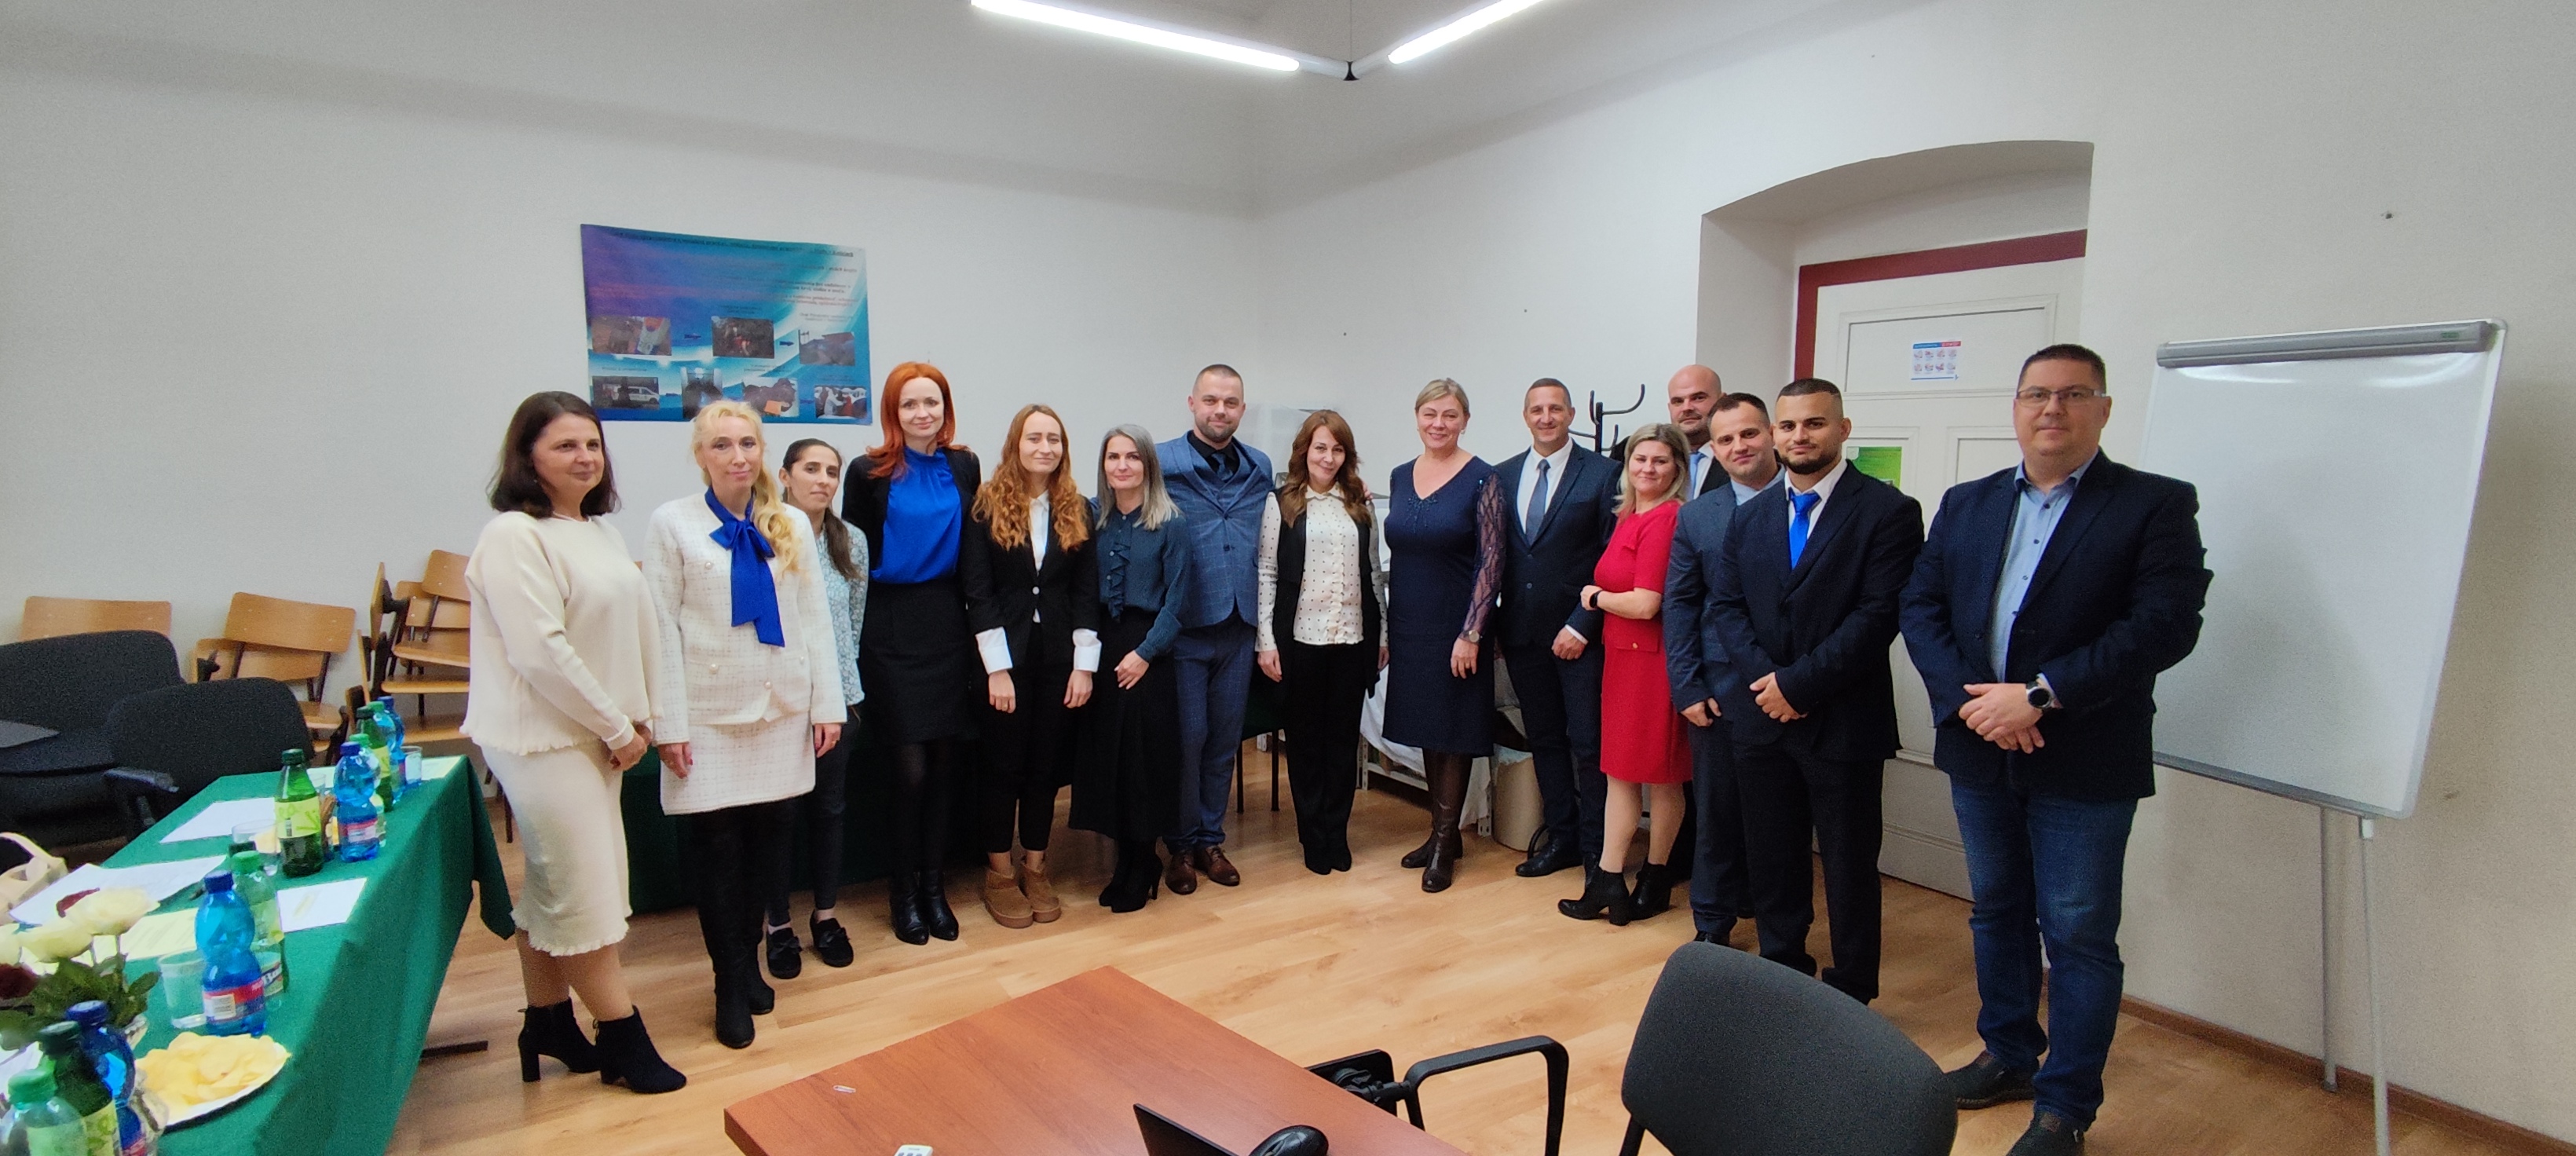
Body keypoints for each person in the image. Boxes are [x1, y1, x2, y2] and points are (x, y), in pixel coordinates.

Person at [1899, 344, 2209, 1156]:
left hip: (2084, 756)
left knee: (2076, 935)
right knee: (1996, 909)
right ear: (2015, 407)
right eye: (2036, 393)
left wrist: (2038, 695)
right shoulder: (1967, 502)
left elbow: (2164, 625)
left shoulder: (2153, 504)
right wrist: (1976, 705)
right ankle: (2007, 1054)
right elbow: (1921, 606)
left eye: (2073, 394)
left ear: (2103, 409)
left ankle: (2065, 1106)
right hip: (1981, 748)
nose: (2052, 408)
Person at [463, 391, 686, 1095]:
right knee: (588, 896)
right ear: (527, 457)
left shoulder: (598, 531)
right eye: (565, 445)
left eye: (592, 444)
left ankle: (550, 1022)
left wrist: (642, 718)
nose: (585, 457)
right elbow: (540, 652)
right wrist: (619, 727)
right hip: (543, 743)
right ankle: (623, 1038)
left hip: (600, 738)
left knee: (557, 886)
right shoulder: (513, 535)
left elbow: (635, 633)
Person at [1707, 378, 1923, 1004]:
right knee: (1772, 854)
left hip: (1843, 719)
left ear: (1843, 429)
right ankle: (1783, 968)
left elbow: (1878, 616)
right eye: (1789, 425)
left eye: (1815, 423)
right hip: (1762, 718)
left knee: (1850, 864)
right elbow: (1728, 608)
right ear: (1777, 434)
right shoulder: (1750, 517)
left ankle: (1852, 989)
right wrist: (1768, 684)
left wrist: (1798, 685)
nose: (1800, 436)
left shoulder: (1887, 512)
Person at [643, 401, 843, 1049]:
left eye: (748, 444)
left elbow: (813, 621)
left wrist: (826, 706)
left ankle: (751, 962)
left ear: (762, 451)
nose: (738, 457)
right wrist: (669, 724)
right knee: (719, 859)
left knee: (767, 853)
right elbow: (660, 631)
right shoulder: (673, 523)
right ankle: (727, 981)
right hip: (708, 718)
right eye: (722, 445)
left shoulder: (788, 521)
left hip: (780, 712)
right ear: (701, 455)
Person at [842, 362, 982, 946]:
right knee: (910, 773)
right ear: (892, 413)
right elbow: (850, 556)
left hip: (948, 621)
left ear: (945, 408)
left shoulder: (964, 465)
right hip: (889, 625)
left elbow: (974, 550)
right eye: (910, 405)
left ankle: (934, 888)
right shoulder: (867, 472)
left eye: (932, 403)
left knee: (946, 768)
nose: (922, 414)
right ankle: (902, 893)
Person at [961, 404, 1101, 929]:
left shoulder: (1078, 508)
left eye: (1054, 439)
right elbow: (978, 592)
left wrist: (1084, 666)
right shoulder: (985, 506)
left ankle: (1035, 867)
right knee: (1003, 767)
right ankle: (999, 873)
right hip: (1004, 658)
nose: (1045, 448)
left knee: (1045, 767)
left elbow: (1086, 592)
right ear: (1015, 444)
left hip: (1059, 658)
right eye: (1035, 438)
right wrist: (996, 670)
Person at [1660, 391, 1783, 946]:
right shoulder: (1699, 515)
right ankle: (1711, 925)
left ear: (1772, 434)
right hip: (1719, 691)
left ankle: (1776, 923)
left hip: (1795, 688)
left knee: (1779, 817)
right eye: (1726, 439)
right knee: (1717, 815)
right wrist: (1687, 686)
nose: (1740, 446)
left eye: (1749, 433)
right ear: (1712, 448)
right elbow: (1681, 603)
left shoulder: (1804, 503)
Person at [1561, 425, 1692, 922]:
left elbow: (1646, 602)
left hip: (1651, 662)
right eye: (1640, 459)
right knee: (1624, 773)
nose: (1648, 469)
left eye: (1660, 460)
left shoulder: (1666, 518)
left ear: (1677, 468)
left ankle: (1640, 879)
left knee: (1657, 776)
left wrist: (1595, 598)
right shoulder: (1629, 514)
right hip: (1623, 657)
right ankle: (1616, 881)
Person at [1493, 379, 1620, 880]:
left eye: (1555, 409)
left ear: (1570, 414)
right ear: (1525, 416)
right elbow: (1499, 554)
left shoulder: (1604, 473)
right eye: (1536, 410)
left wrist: (1584, 624)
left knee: (1588, 745)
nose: (1546, 418)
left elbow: (1612, 556)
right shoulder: (1503, 475)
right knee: (1544, 739)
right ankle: (1561, 838)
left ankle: (1597, 851)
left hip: (1580, 637)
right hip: (1523, 634)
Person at [1382, 379, 1506, 893]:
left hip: (1458, 627)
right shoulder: (1399, 475)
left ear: (1465, 421)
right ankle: (1444, 834)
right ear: (1417, 417)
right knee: (1430, 730)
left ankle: (1443, 845)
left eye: (1450, 415)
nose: (1439, 424)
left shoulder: (1484, 479)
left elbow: (1492, 559)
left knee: (1453, 731)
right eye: (1430, 414)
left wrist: (1472, 631)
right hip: (1410, 623)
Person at [1158, 365, 1275, 894]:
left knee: (1224, 741)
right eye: (1210, 400)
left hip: (1239, 624)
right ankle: (1180, 845)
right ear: (1192, 403)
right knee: (1188, 739)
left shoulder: (1259, 466)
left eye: (1230, 402)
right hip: (1184, 622)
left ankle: (1210, 839)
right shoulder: (1161, 461)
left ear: (1242, 410)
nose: (1220, 410)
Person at [1255, 410, 1385, 875]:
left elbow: (1374, 574)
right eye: (1320, 448)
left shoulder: (1360, 505)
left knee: (1342, 743)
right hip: (1300, 640)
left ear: (1347, 456)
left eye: (1337, 449)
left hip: (1352, 639)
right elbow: (1267, 573)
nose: (1328, 458)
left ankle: (1337, 832)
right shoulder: (1282, 503)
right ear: (1304, 452)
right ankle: (1313, 835)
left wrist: (1383, 634)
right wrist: (1265, 640)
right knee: (1306, 743)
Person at [1072, 426, 1192, 912]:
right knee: (1112, 759)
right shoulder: (1093, 520)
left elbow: (1178, 602)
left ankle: (1145, 861)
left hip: (1148, 653)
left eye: (1132, 457)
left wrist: (1145, 653)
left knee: (1145, 761)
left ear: (1148, 465)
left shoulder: (1172, 524)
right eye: (1113, 457)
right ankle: (1124, 860)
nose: (1122, 465)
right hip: (1102, 647)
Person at [762, 439, 868, 979]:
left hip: (839, 700)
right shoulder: (761, 534)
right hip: (781, 702)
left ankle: (825, 915)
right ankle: (776, 924)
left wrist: (842, 692)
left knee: (830, 810)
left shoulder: (852, 541)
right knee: (779, 816)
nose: (823, 480)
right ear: (784, 476)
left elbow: (853, 624)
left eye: (832, 471)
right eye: (811, 469)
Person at [1668, 364, 1730, 499]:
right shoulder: (1648, 459)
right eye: (1678, 401)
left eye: (1698, 398)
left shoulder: (1743, 455)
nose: (1686, 408)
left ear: (1722, 401)